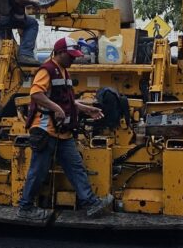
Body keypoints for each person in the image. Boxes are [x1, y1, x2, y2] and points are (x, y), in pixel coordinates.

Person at [17, 36, 113, 220]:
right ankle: (25, 208)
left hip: (62, 131)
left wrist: (86, 108)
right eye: (70, 56)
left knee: (76, 167)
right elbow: (36, 93)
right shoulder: (47, 70)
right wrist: (57, 109)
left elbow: (66, 101)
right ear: (59, 53)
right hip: (45, 130)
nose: (74, 59)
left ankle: (90, 203)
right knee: (38, 171)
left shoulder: (63, 71)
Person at [0, 0, 42, 66]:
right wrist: (32, 1)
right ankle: (25, 54)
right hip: (4, 17)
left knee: (10, 45)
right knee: (32, 24)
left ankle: (11, 53)